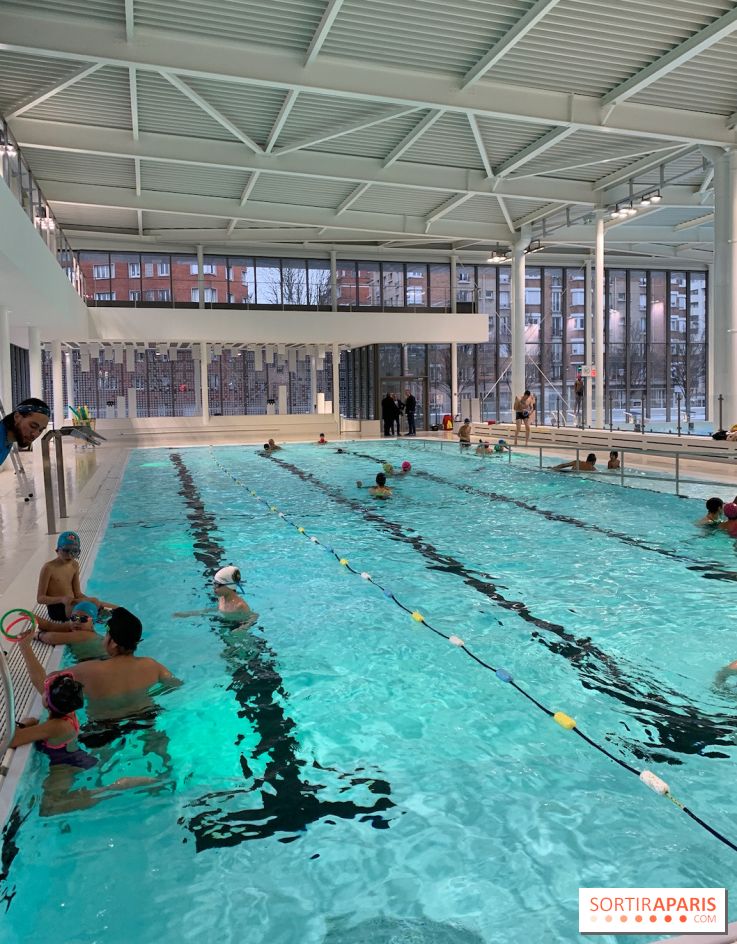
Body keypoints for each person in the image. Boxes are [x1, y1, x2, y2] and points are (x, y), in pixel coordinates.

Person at [67, 607, 177, 721]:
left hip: (104, 725)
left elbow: (50, 683)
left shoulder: (88, 670)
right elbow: (174, 685)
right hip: (144, 714)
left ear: (113, 643)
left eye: (106, 635)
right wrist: (147, 695)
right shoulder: (151, 665)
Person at [37, 531, 115, 621]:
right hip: (57, 609)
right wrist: (62, 599)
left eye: (74, 551)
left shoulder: (74, 565)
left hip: (73, 602)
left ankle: (117, 611)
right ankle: (97, 617)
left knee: (96, 602)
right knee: (92, 604)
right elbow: (40, 598)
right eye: (66, 551)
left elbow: (77, 594)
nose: (70, 555)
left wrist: (91, 601)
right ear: (57, 550)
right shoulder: (48, 568)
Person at [174, 566, 257, 628]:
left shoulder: (240, 605)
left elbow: (254, 616)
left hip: (236, 626)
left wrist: (241, 629)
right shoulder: (221, 598)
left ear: (229, 586)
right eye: (214, 583)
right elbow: (218, 610)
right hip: (225, 623)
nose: (214, 587)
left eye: (217, 584)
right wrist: (190, 614)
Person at [35, 600, 107, 659]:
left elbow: (52, 638)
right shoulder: (77, 628)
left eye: (83, 619)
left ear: (93, 623)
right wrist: (29, 615)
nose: (77, 622)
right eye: (74, 618)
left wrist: (36, 635)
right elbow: (50, 626)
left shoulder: (85, 634)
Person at [0, 397, 50, 469]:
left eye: (41, 430)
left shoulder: (7, 440)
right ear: (17, 417)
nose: (35, 434)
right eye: (33, 426)